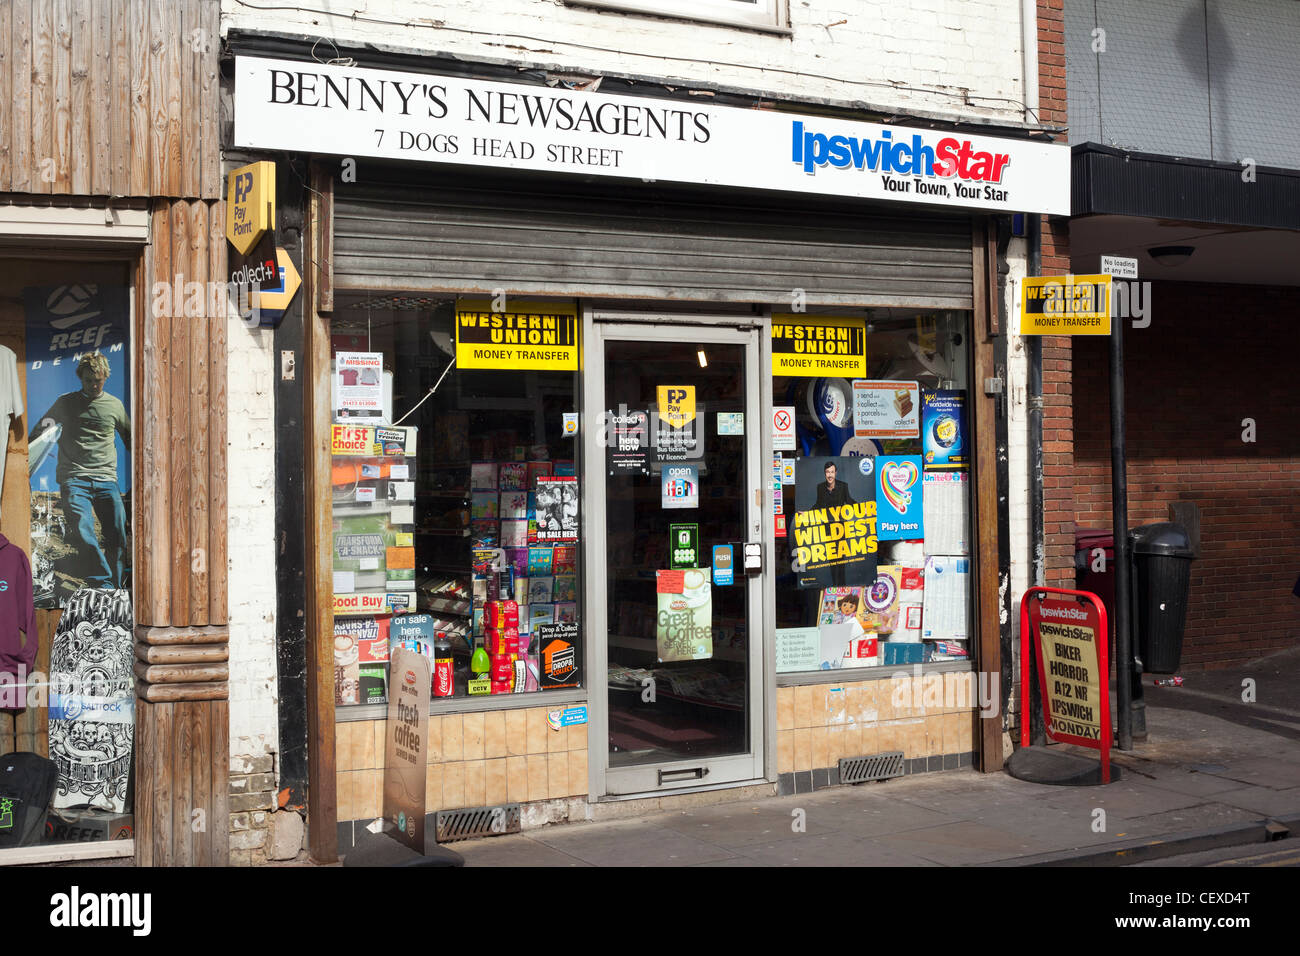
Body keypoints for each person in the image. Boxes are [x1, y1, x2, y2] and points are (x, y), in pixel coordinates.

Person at [29, 352, 130, 590]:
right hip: (74, 478)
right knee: (82, 530)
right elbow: (42, 430)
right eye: (88, 380)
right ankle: (102, 582)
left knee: (117, 535)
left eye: (98, 380)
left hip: (107, 479)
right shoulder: (66, 402)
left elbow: (131, 438)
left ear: (105, 376)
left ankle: (114, 588)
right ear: (80, 378)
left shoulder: (114, 405)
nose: (94, 385)